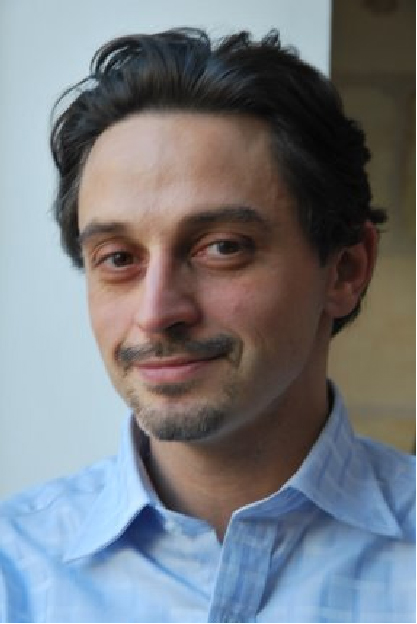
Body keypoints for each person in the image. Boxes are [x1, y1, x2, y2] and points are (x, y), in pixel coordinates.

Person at [0, 27, 415, 624]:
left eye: (222, 247)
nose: (156, 311)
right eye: (118, 258)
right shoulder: (13, 571)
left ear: (345, 269)